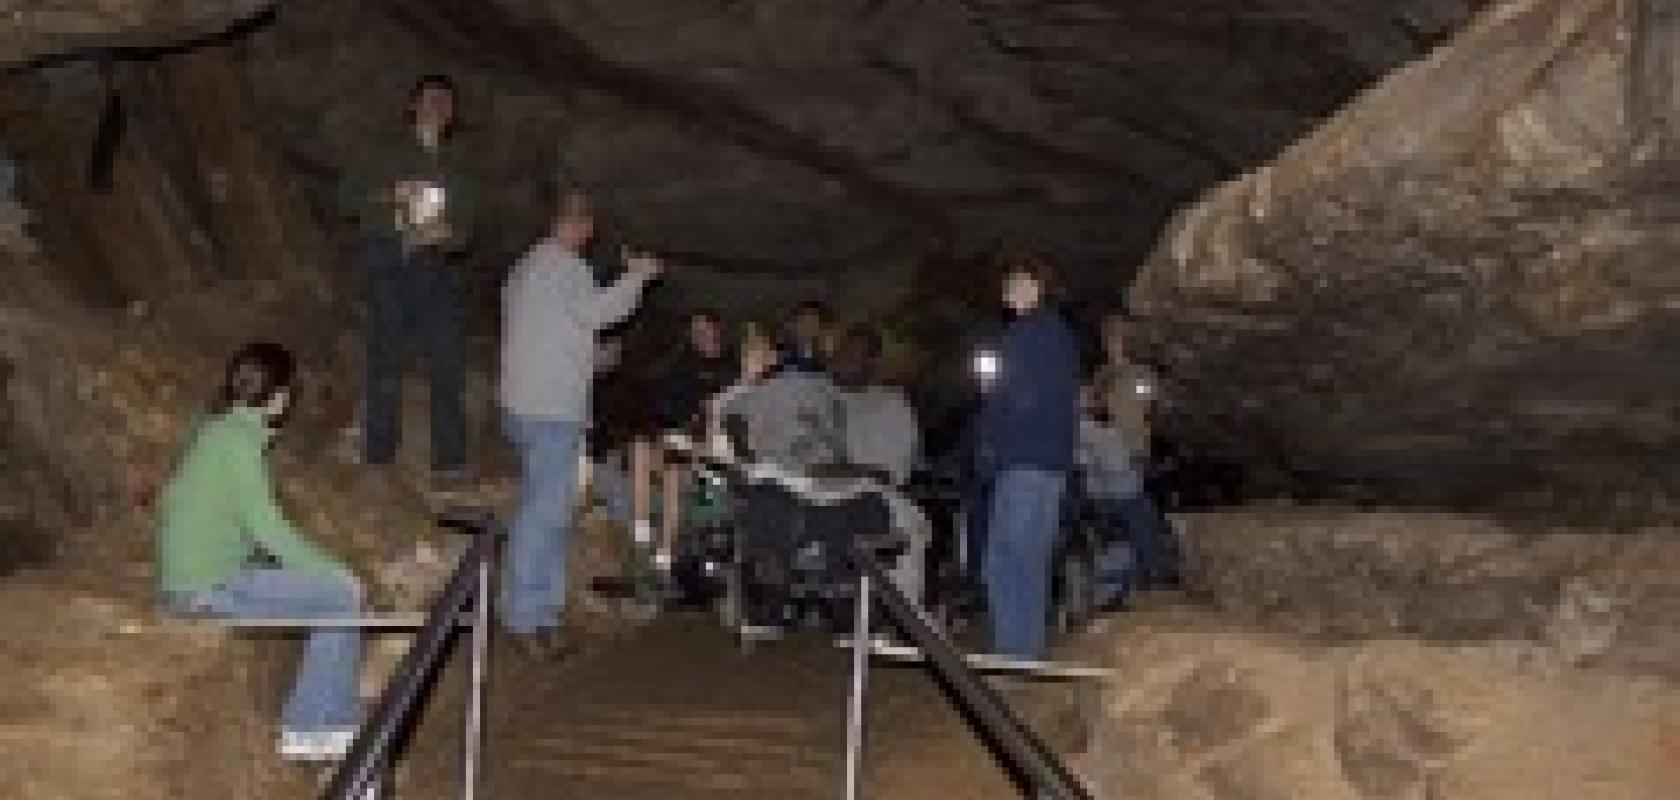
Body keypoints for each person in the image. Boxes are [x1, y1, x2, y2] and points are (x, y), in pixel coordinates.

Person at [156, 343, 364, 761]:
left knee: (320, 588)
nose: (289, 400)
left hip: (190, 583)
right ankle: (313, 729)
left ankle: (325, 711)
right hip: (206, 591)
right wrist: (335, 571)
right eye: (289, 391)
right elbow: (268, 528)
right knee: (341, 597)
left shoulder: (216, 428)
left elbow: (198, 509)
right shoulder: (238, 441)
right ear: (278, 394)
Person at [498, 184, 661, 648]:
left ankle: (543, 613)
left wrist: (596, 359)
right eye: (587, 224)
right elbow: (601, 312)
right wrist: (636, 277)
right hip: (550, 409)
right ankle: (527, 618)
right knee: (544, 513)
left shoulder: (524, 268)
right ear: (578, 225)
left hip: (524, 403)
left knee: (547, 508)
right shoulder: (568, 267)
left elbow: (551, 336)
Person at [337, 74, 478, 487]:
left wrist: (446, 235)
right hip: (389, 258)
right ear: (412, 105)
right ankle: (379, 455)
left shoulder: (460, 171)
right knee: (385, 357)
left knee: (448, 363)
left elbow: (465, 232)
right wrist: (391, 195)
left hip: (437, 267)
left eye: (446, 101)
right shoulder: (383, 153)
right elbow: (346, 199)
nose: (439, 106)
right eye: (431, 98)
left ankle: (450, 462)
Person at [973, 254, 1080, 660]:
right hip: (1046, 462)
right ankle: (1025, 650)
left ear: (1038, 287)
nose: (1008, 287)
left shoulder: (1026, 334)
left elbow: (1016, 399)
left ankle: (1012, 650)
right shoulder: (1059, 335)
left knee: (1006, 557)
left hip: (1024, 459)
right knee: (1028, 558)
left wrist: (991, 436)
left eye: (1017, 281)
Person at [632, 309, 738, 570]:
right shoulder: (681, 367)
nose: (700, 336)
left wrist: (708, 417)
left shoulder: (732, 371)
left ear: (718, 330)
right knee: (641, 446)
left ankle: (665, 552)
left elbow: (728, 420)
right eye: (694, 331)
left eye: (705, 329)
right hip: (681, 444)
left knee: (675, 472)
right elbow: (663, 409)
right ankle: (641, 525)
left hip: (713, 453)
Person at [1088, 313, 1177, 587]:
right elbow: (1091, 410)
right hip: (1102, 454)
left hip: (1132, 450)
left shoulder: (1140, 374)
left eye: (1119, 335)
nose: (1114, 341)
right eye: (1110, 335)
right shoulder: (1101, 376)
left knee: (1133, 509)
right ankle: (1130, 572)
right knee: (1116, 515)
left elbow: (1154, 407)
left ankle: (1153, 568)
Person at [778, 299, 831, 373]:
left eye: (813, 322)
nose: (808, 328)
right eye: (804, 321)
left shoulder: (824, 356)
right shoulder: (780, 354)